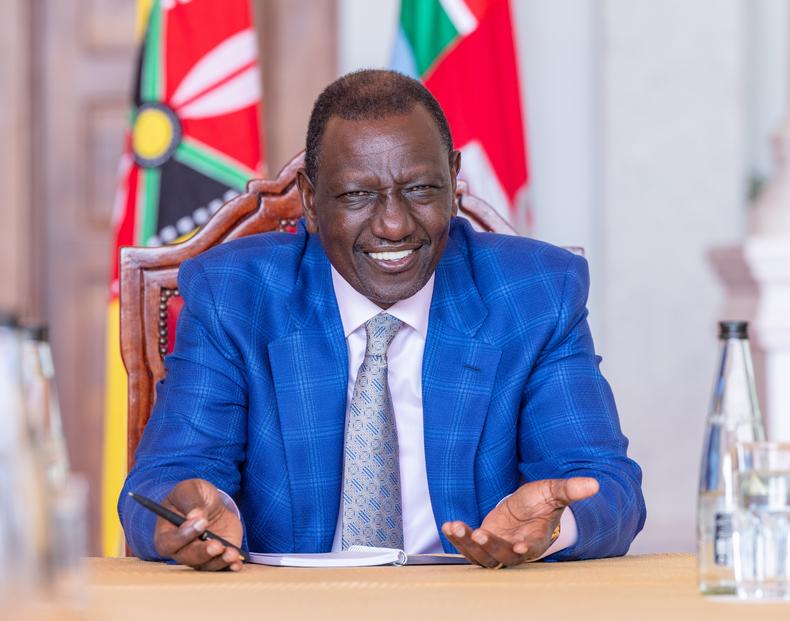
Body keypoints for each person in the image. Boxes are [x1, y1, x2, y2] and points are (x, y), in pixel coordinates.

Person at [119, 69, 646, 572]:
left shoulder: (535, 292)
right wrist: (195, 519)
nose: (394, 225)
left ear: (454, 180)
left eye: (420, 190)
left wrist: (553, 528)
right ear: (309, 198)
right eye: (357, 196)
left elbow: (606, 486)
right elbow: (163, 481)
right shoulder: (233, 296)